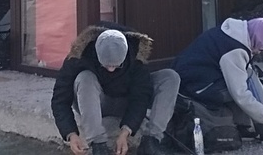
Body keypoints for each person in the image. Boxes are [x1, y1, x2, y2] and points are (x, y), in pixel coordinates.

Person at [51, 24, 180, 155]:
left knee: (170, 77)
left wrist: (126, 132)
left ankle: (151, 141)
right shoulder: (79, 56)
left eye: (116, 66)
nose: (111, 70)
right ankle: (98, 144)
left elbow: (141, 96)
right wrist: (71, 134)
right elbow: (60, 99)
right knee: (85, 77)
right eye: (106, 66)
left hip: (125, 102)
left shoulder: (136, 55)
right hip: (96, 104)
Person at [172, 17, 263, 144]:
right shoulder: (234, 50)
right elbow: (240, 94)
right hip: (194, 89)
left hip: (190, 82)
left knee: (245, 75)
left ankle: (242, 129)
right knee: (242, 83)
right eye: (260, 48)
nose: (258, 52)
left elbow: (247, 71)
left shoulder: (234, 34)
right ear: (255, 39)